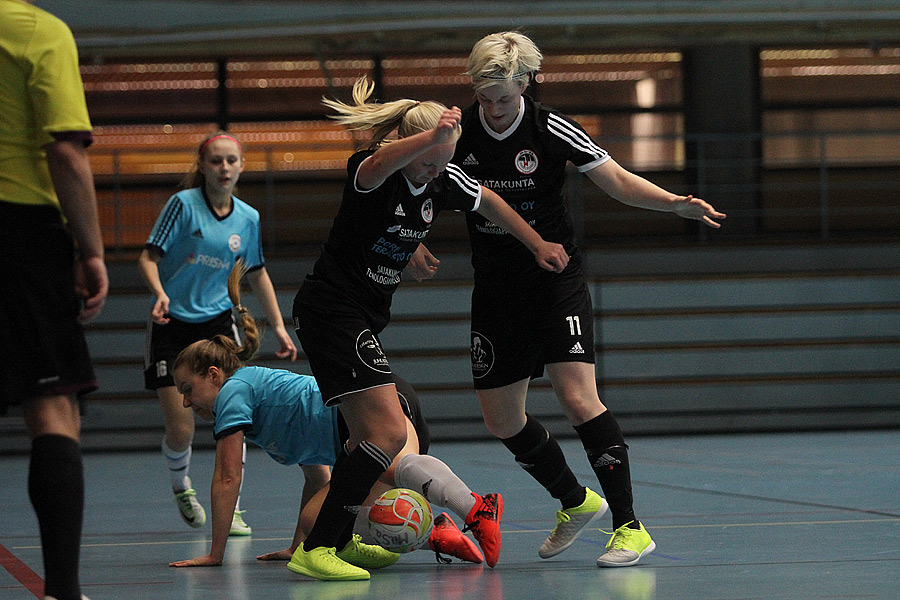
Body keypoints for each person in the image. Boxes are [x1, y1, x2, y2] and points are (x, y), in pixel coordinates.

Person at [442, 31, 727, 568]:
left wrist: (673, 204)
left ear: (527, 83)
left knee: (577, 397)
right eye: (485, 98)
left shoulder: (550, 126)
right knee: (502, 420)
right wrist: (413, 246)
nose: (495, 109)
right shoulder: (456, 132)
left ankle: (629, 527)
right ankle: (575, 501)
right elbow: (420, 184)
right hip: (496, 287)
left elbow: (614, 178)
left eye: (504, 97)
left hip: (555, 276)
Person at [289, 76, 570, 581]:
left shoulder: (439, 176)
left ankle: (337, 541)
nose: (435, 172)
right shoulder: (373, 169)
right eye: (428, 162)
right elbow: (379, 167)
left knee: (363, 441)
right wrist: (432, 138)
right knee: (390, 431)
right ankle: (319, 548)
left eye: (443, 163)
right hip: (332, 310)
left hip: (362, 315)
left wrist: (536, 244)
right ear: (411, 145)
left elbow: (489, 201)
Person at [167, 262, 487, 569]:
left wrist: (216, 554)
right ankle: (437, 535)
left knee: (386, 476)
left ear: (213, 375)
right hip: (375, 412)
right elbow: (316, 477)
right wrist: (297, 545)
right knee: (322, 520)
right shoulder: (265, 404)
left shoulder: (232, 392)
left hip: (368, 409)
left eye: (188, 389)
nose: (185, 402)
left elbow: (227, 477)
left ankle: (475, 507)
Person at [0, 2, 108, 599]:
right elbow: (65, 151)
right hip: (18, 230)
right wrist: (91, 252)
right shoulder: (36, 31)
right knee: (53, 408)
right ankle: (62, 591)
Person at [138, 130, 297, 537]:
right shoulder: (182, 205)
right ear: (203, 167)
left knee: (233, 417)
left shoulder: (249, 218)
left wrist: (279, 326)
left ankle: (234, 507)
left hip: (217, 326)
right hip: (172, 322)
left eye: (231, 160)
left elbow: (257, 273)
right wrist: (160, 294)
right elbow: (148, 257)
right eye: (215, 161)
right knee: (182, 429)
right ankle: (180, 484)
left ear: (241, 166)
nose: (224, 168)